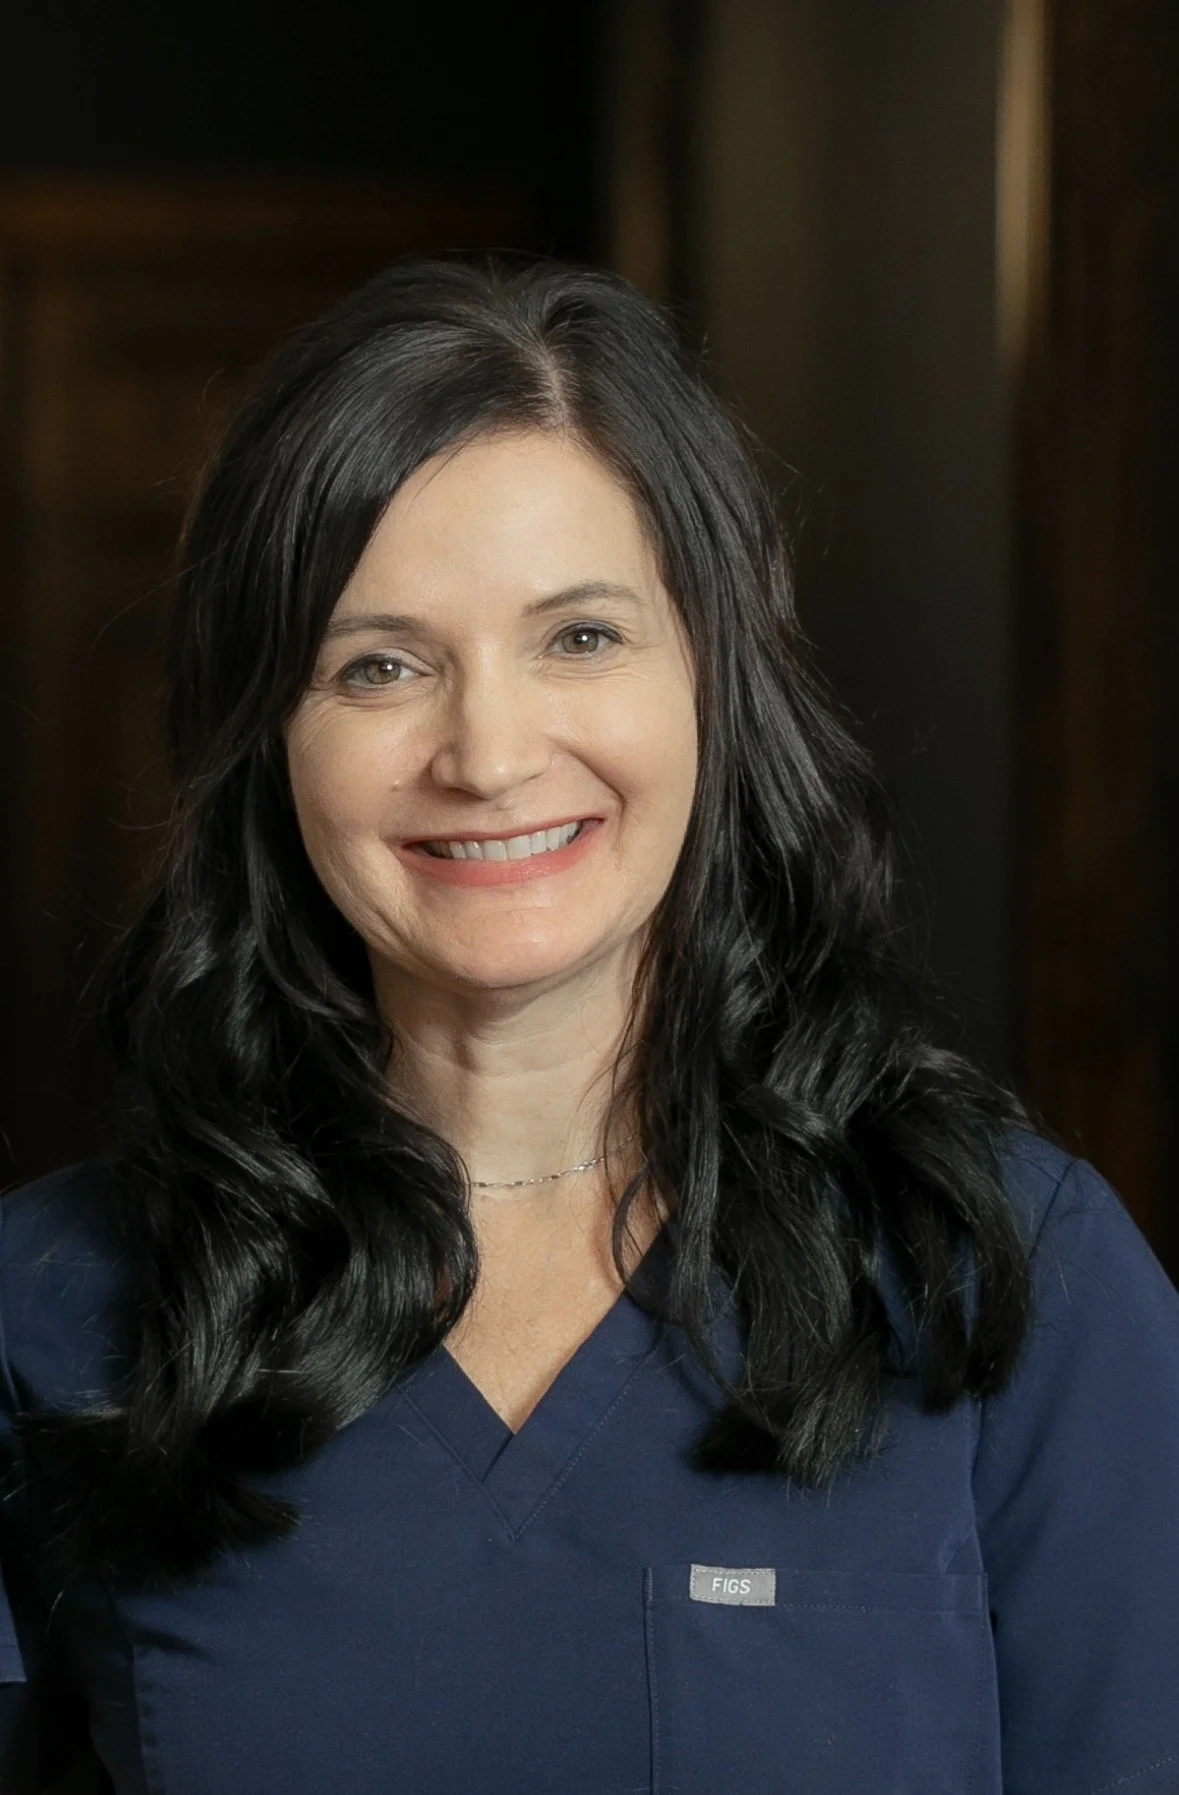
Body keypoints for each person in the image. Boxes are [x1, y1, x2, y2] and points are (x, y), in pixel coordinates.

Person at [1, 256, 1177, 1795]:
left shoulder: (1011, 1279)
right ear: (269, 740)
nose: (486, 752)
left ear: (714, 673)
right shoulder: (49, 1314)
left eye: (579, 637)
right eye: (380, 664)